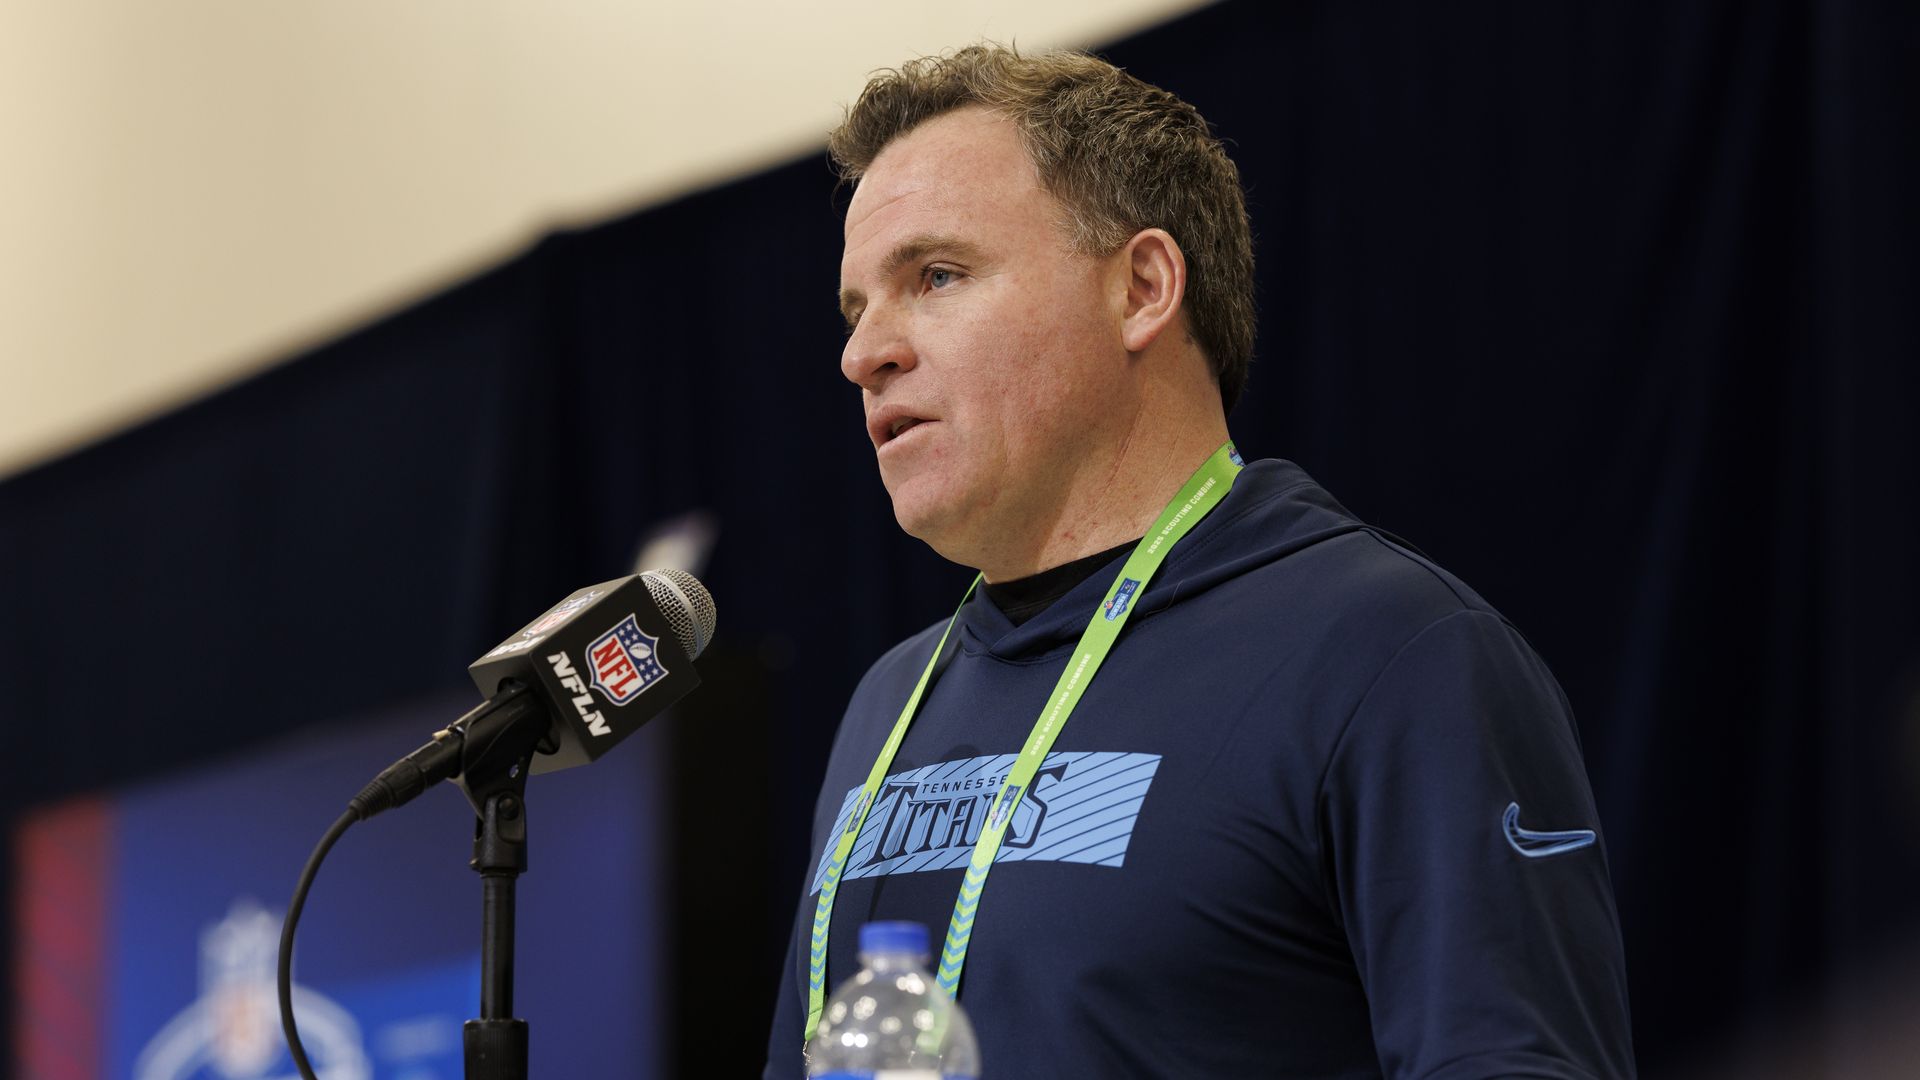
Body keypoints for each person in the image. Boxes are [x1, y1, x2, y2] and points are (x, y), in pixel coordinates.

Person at [764, 44, 1634, 1079]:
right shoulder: (888, 703)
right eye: (859, 310)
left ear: (1141, 288)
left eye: (936, 276)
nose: (865, 355)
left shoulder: (1398, 656)